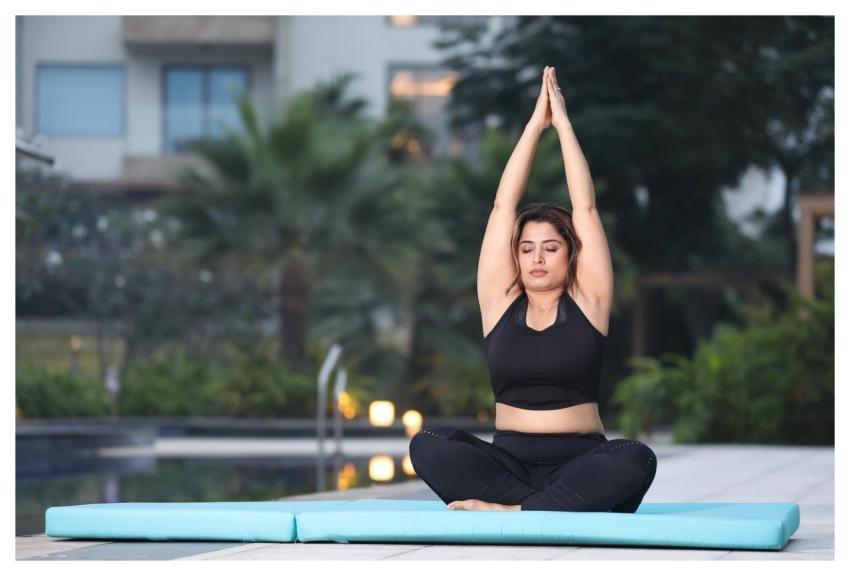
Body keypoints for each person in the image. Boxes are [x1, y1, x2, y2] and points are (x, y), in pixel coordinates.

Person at [408, 66, 657, 513]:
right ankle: (553, 508)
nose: (537, 258)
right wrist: (532, 126)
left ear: (569, 255)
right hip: (508, 466)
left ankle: (519, 513)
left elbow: (586, 205)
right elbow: (504, 204)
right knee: (428, 444)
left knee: (635, 460)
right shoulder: (498, 302)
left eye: (550, 248)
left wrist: (561, 124)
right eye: (527, 249)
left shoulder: (589, 301)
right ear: (516, 257)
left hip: (581, 460)